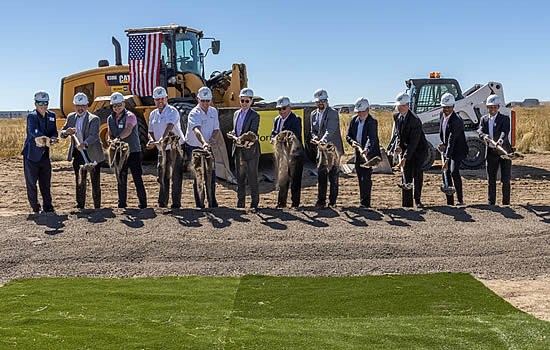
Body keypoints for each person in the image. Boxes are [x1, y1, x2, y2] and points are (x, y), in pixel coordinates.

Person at [60, 93, 105, 209]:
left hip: (92, 153)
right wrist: (66, 132)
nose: (80, 108)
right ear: (74, 106)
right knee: (80, 180)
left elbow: (94, 136)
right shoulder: (70, 117)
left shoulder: (93, 119)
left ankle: (97, 207)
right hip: (78, 154)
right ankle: (80, 205)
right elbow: (62, 132)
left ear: (87, 106)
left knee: (95, 181)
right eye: (78, 106)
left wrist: (84, 143)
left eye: (83, 106)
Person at [146, 86, 186, 208]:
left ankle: (176, 204)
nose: (160, 101)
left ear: (167, 98)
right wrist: (152, 140)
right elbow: (150, 131)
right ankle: (162, 203)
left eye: (162, 98)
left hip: (175, 148)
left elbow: (170, 126)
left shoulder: (172, 111)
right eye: (157, 99)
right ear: (154, 100)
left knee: (176, 176)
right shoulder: (153, 114)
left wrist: (163, 138)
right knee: (162, 175)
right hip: (162, 150)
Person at [107, 92, 147, 209]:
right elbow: (110, 134)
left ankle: (143, 204)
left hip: (133, 151)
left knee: (137, 177)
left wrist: (118, 138)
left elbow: (128, 130)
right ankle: (122, 203)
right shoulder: (110, 118)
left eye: (119, 105)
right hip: (119, 152)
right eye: (114, 106)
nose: (117, 108)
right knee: (121, 178)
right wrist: (111, 140)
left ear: (123, 104)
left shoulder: (130, 116)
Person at [21, 90, 58, 213]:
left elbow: (54, 131)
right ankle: (35, 207)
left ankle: (48, 206)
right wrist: (48, 140)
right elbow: (34, 132)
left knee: (45, 182)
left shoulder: (51, 115)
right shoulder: (32, 116)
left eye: (45, 103)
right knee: (32, 183)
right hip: (32, 155)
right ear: (35, 103)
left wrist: (53, 137)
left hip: (44, 155)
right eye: (40, 103)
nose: (43, 105)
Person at [391, 92, 429, 208]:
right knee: (406, 174)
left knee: (417, 174)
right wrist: (398, 146)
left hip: (418, 150)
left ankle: (417, 200)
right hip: (407, 148)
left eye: (402, 106)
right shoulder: (397, 116)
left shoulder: (415, 120)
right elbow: (398, 134)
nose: (399, 108)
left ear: (407, 105)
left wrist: (405, 157)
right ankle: (407, 202)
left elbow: (414, 142)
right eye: (398, 106)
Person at [185, 87, 220, 208]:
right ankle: (200, 204)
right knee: (198, 176)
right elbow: (196, 130)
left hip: (207, 146)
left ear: (211, 100)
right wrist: (204, 143)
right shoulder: (194, 113)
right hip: (195, 147)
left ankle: (212, 202)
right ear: (198, 99)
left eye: (207, 101)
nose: (205, 103)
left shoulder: (213, 111)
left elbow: (216, 129)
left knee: (211, 175)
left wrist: (213, 139)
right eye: (203, 101)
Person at [310, 89, 344, 208]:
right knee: (321, 175)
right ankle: (321, 200)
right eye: (318, 101)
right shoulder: (313, 114)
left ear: (327, 100)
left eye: (323, 100)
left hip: (332, 149)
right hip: (321, 149)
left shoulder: (332, 113)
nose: (320, 103)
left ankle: (332, 202)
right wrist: (315, 139)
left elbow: (330, 130)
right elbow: (313, 131)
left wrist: (323, 141)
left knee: (333, 176)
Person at [345, 97, 381, 208]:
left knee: (366, 178)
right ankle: (362, 201)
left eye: (362, 112)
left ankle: (366, 203)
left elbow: (372, 138)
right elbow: (348, 136)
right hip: (358, 153)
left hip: (369, 154)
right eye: (358, 112)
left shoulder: (372, 121)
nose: (360, 114)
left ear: (368, 110)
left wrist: (366, 149)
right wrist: (352, 143)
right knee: (360, 177)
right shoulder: (353, 120)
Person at [270, 96, 304, 208]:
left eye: (283, 108)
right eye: (279, 109)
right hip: (283, 155)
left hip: (294, 155)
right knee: (282, 180)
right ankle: (281, 203)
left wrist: (278, 139)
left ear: (289, 107)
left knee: (295, 181)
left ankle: (295, 204)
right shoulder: (277, 120)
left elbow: (294, 136)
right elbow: (274, 132)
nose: (281, 111)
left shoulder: (296, 119)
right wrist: (273, 138)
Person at [478, 94, 512, 205]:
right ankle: (491, 203)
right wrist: (484, 136)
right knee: (491, 180)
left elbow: (504, 132)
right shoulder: (484, 119)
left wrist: (500, 141)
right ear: (487, 107)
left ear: (498, 107)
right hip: (491, 153)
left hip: (504, 152)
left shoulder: (505, 118)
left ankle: (506, 203)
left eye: (494, 107)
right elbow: (480, 131)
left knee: (505, 180)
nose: (492, 109)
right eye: (490, 107)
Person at [230, 88, 260, 209]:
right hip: (238, 150)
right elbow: (236, 130)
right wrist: (232, 134)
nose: (244, 103)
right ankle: (240, 204)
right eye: (242, 100)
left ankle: (254, 204)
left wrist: (239, 139)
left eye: (247, 101)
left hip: (251, 151)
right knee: (240, 178)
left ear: (251, 101)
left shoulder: (255, 115)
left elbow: (252, 133)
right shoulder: (236, 114)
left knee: (252, 177)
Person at [438, 93, 468, 206]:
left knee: (453, 171)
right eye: (444, 107)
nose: (446, 109)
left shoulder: (457, 120)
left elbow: (452, 140)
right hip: (449, 148)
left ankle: (460, 200)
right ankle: (450, 202)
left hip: (458, 150)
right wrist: (443, 143)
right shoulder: (442, 114)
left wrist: (446, 160)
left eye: (448, 107)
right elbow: (444, 133)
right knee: (445, 173)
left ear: (453, 106)